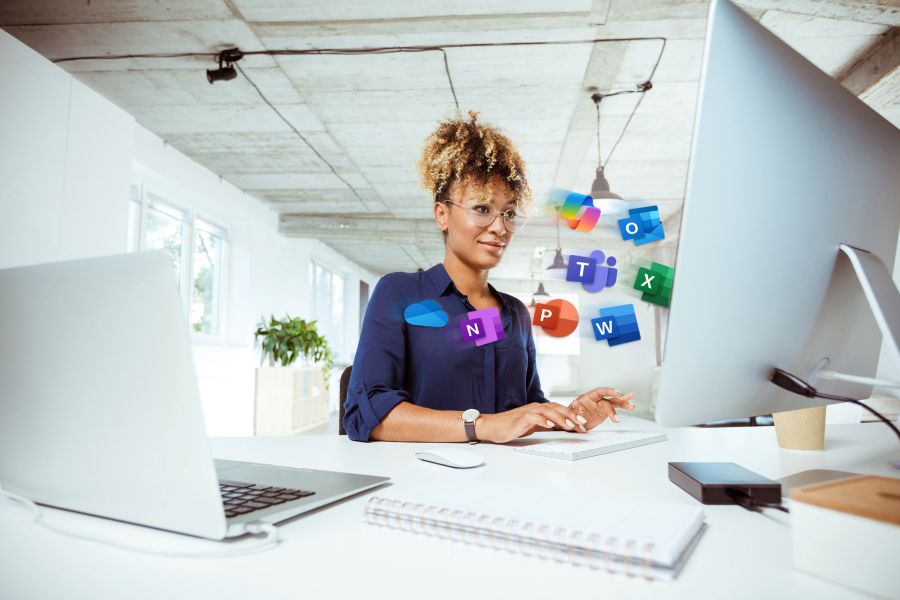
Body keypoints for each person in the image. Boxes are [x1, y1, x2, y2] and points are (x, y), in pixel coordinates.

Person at [342, 111, 635, 443]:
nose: (500, 227)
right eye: (482, 209)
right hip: (424, 481)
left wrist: (572, 415)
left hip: (506, 481)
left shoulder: (514, 315)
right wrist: (481, 425)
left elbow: (524, 410)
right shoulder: (400, 294)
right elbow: (367, 413)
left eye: (509, 213)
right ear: (442, 214)